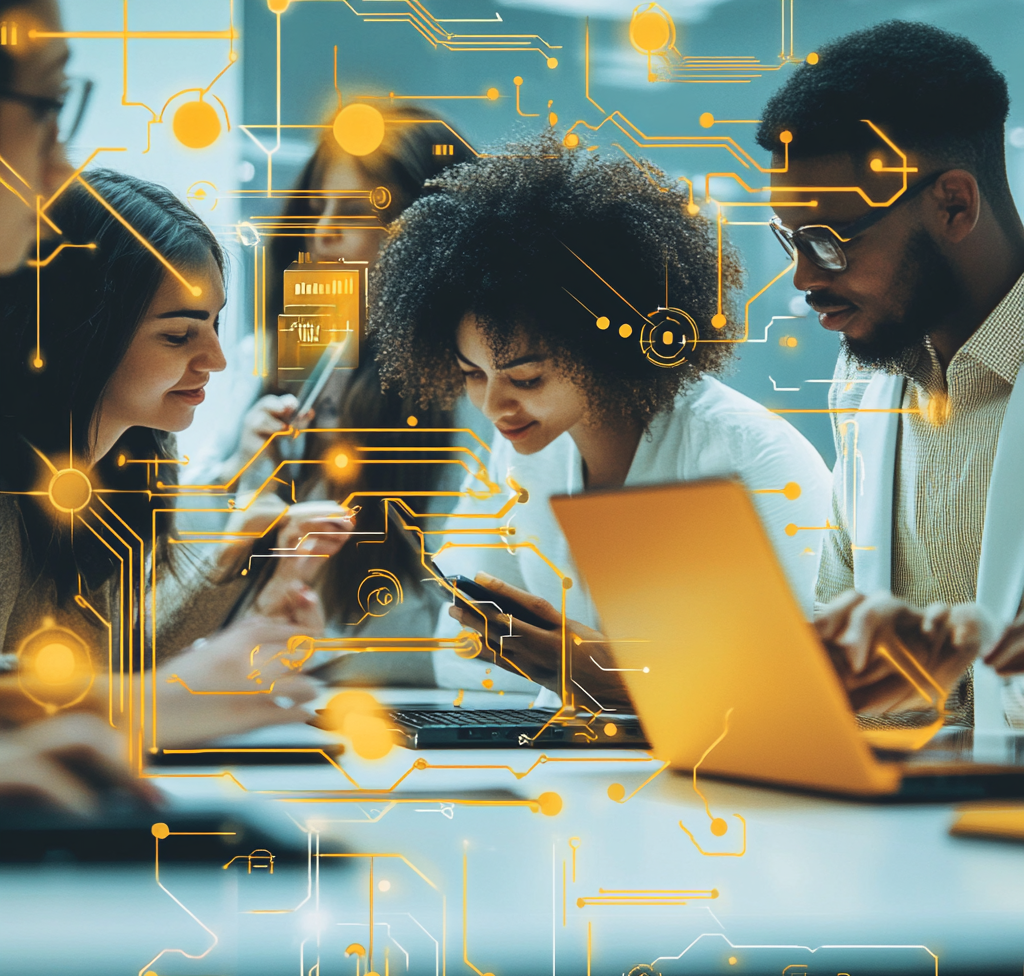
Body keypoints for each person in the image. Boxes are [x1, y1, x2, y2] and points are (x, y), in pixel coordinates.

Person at [371, 137, 832, 705]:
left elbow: (794, 695)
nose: (493, 406)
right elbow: (459, 653)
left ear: (609, 350)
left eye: (526, 378)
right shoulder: (519, 452)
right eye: (472, 373)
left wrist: (607, 672)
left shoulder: (748, 459)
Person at [0, 100, 349, 806]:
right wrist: (173, 697)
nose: (217, 359)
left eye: (215, 325)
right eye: (179, 334)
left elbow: (110, 664)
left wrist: (250, 605)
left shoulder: (100, 484)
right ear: (79, 331)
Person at [759, 21, 1024, 730]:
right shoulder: (867, 382)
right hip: (901, 821)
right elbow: (843, 641)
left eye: (829, 241)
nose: (806, 278)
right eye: (789, 239)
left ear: (953, 206)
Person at [182, 103, 484, 686]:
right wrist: (241, 473)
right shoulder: (301, 338)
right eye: (316, 207)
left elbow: (455, 600)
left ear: (424, 233)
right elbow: (193, 557)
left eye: (351, 212)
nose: (321, 233)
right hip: (282, 677)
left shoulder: (475, 379)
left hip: (387, 691)